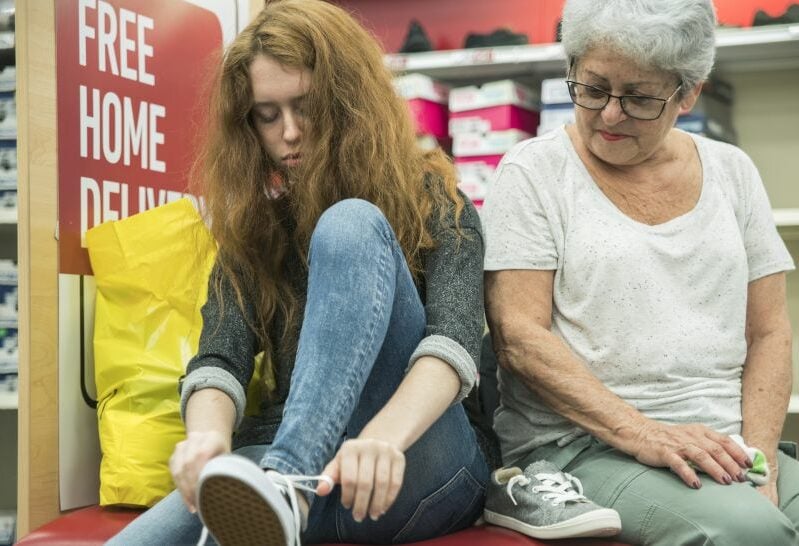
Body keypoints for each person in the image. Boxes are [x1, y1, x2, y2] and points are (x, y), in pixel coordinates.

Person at [107, 1, 490, 544]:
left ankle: (286, 481)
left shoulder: (436, 199)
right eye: (267, 115)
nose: (289, 132)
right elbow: (220, 358)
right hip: (305, 483)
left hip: (416, 463)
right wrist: (206, 441)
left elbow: (453, 346)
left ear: (347, 102)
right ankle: (285, 489)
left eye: (306, 107)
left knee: (350, 224)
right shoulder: (256, 226)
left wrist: (381, 438)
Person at [481, 0, 799, 544]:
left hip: (726, 445)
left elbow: (769, 330)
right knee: (749, 535)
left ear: (690, 92)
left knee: (758, 517)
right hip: (584, 447)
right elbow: (519, 338)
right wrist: (643, 432)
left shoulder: (732, 171)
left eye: (640, 98)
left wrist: (762, 463)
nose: (609, 114)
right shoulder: (533, 174)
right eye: (594, 88)